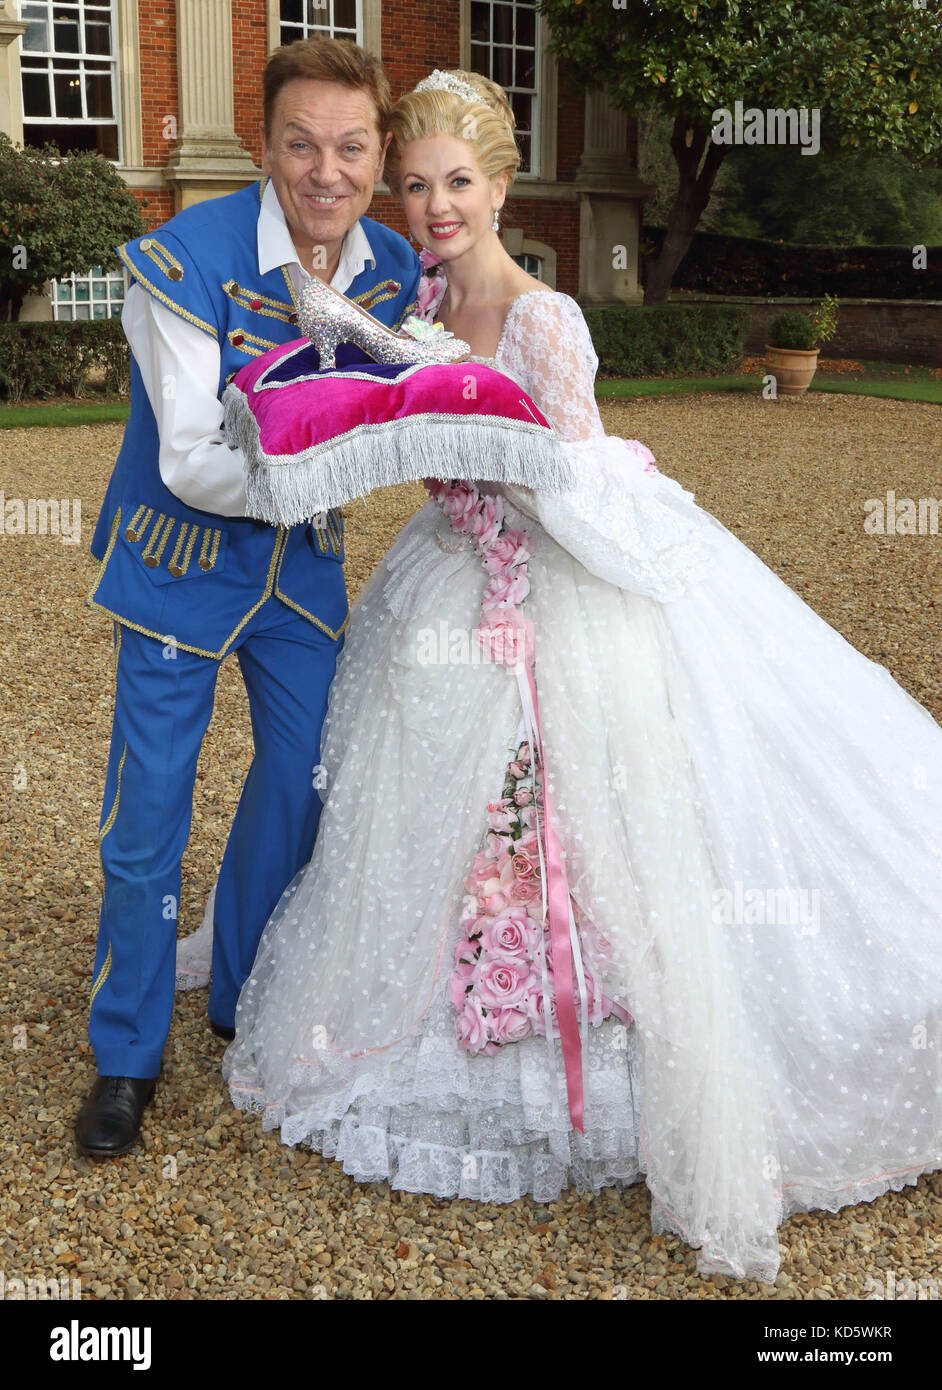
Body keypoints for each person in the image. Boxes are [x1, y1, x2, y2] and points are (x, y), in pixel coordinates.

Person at [219, 70, 942, 1283]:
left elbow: (576, 485)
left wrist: (498, 477)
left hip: (558, 595)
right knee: (424, 828)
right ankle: (446, 1020)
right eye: (417, 184)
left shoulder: (548, 320)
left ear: (501, 187)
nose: (435, 204)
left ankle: (600, 1031)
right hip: (447, 586)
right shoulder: (421, 298)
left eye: (459, 182)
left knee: (599, 824)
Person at [74, 36, 422, 1159]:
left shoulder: (390, 270)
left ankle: (241, 994)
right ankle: (125, 1056)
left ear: (378, 152)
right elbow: (186, 457)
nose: (328, 172)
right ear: (267, 149)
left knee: (309, 775)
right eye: (302, 145)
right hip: (179, 561)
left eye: (352, 147)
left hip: (299, 575)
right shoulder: (181, 259)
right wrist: (343, 461)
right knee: (149, 821)